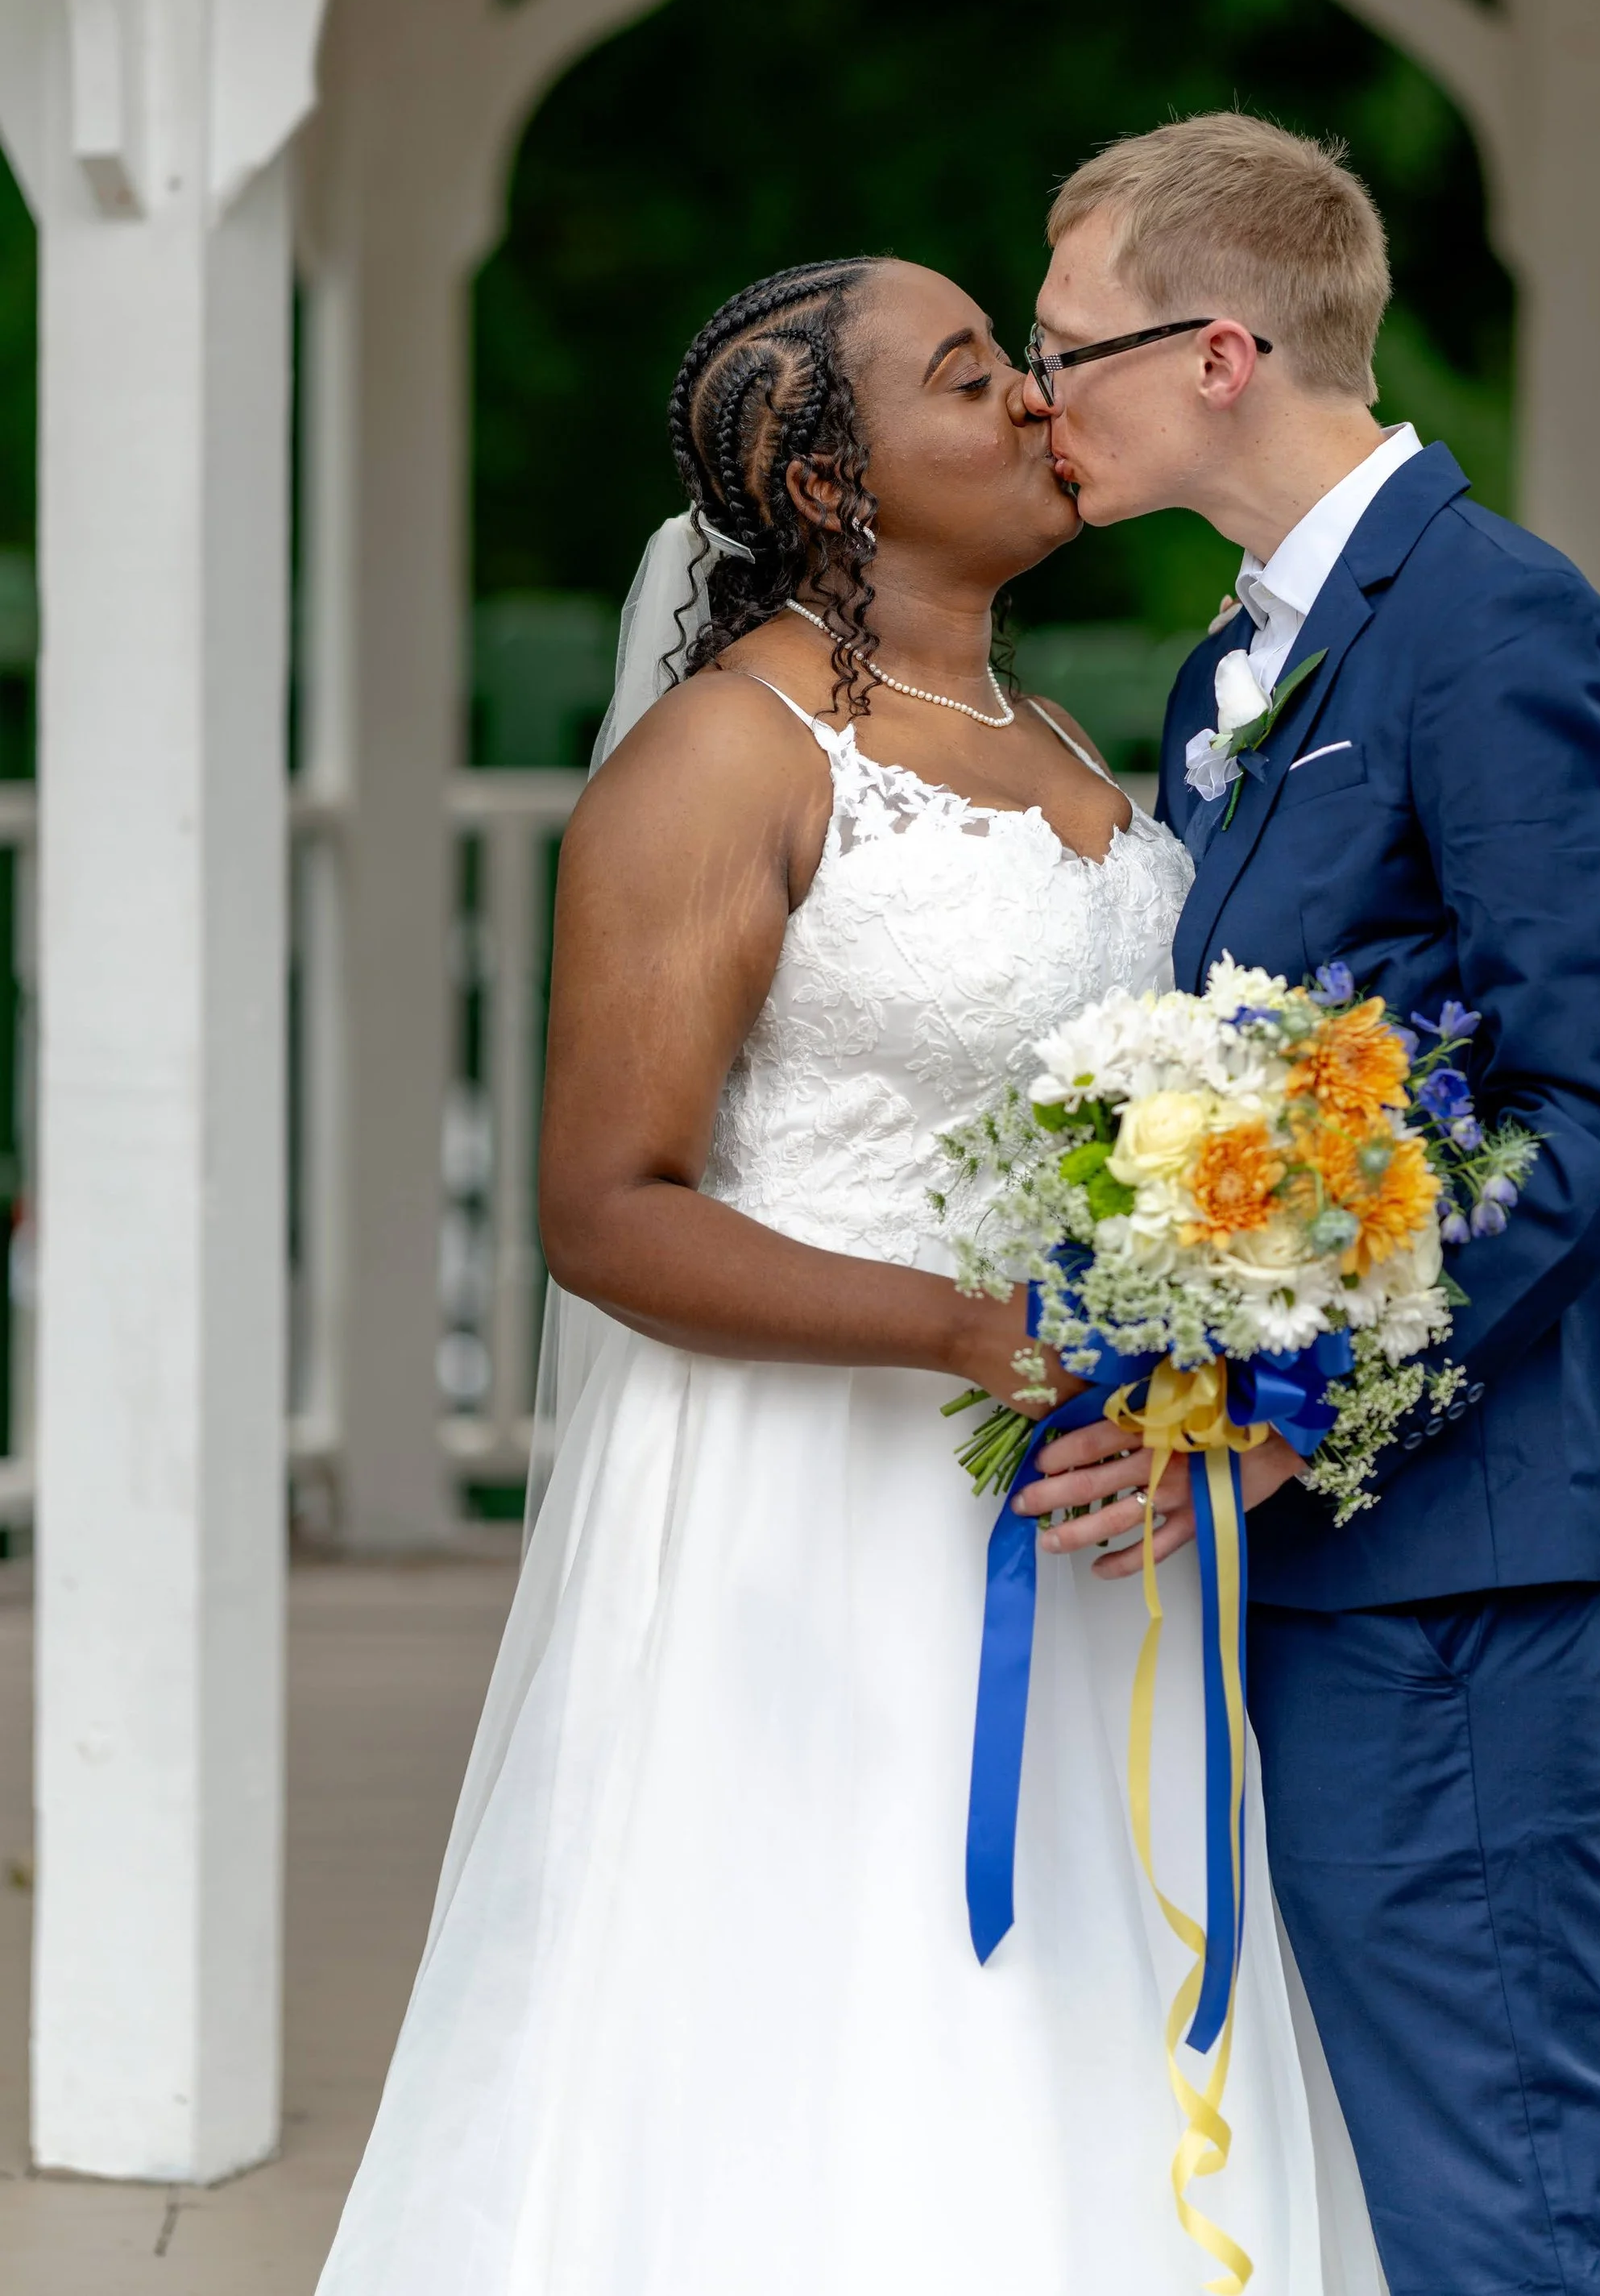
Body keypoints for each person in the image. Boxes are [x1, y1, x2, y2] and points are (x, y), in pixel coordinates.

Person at [314, 253, 1381, 2295]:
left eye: (1018, 364)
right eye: (970, 379)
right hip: (802, 1509)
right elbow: (605, 1206)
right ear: (827, 480)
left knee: (1076, 1974)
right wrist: (967, 1330)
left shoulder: (1065, 734)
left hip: (1079, 1505)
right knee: (820, 2002)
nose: (1031, 403)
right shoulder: (725, 760)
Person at [1019, 114, 1600, 2296]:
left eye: (1064, 348)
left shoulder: (1492, 623)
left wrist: (1297, 1393)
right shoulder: (1231, 670)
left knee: (1490, 2149)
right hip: (1313, 1540)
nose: (1039, 397)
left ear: (1219, 347)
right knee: (1397, 2133)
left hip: (1457, 1532)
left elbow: (1597, 1102)